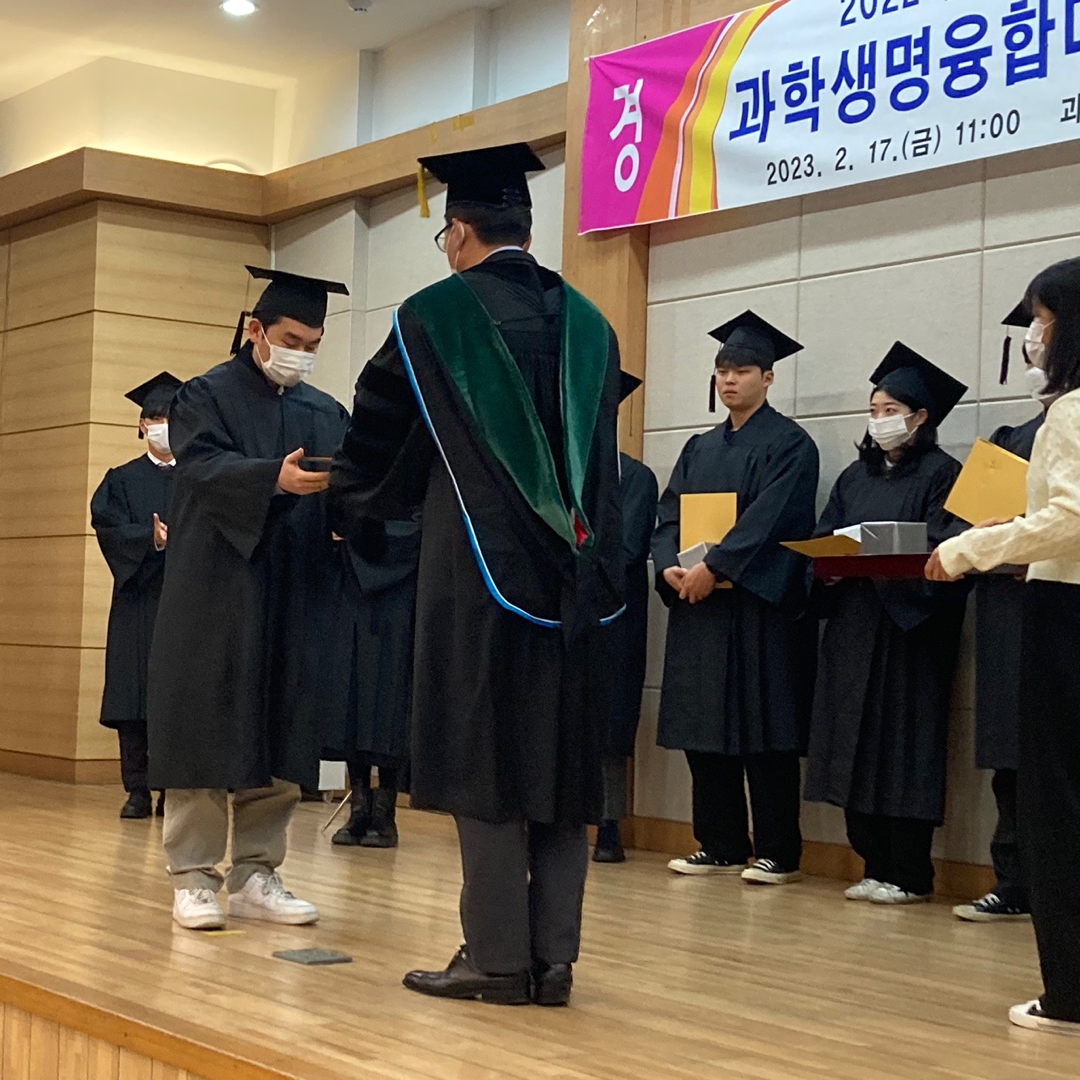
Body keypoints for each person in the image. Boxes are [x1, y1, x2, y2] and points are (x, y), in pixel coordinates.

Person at [328, 142, 625, 1007]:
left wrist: (350, 506)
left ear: (458, 231)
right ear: (524, 228)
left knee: (485, 756)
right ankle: (554, 961)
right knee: (563, 765)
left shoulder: (434, 317)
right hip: (577, 586)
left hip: (478, 579)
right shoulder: (593, 327)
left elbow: (381, 438)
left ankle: (496, 958)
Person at [928, 256, 1080, 1041]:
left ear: (1073, 322)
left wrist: (973, 547)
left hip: (1077, 615)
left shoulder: (1076, 410)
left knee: (1067, 808)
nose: (1034, 334)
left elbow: (1078, 519)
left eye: (1041, 318)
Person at [146, 267, 350, 932]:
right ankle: (194, 876)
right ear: (256, 330)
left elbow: (351, 485)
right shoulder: (204, 396)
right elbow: (203, 470)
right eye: (291, 341)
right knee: (203, 724)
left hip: (295, 587)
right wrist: (273, 480)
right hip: (216, 588)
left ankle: (258, 872)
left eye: (313, 345)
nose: (302, 355)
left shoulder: (325, 412)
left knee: (281, 726)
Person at [651, 311, 819, 886]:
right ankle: (719, 842)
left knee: (764, 729)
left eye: (742, 371)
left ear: (768, 378)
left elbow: (772, 519)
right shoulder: (698, 448)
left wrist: (716, 567)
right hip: (700, 606)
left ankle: (778, 850)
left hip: (756, 606)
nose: (729, 380)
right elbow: (668, 514)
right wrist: (671, 566)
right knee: (704, 726)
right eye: (722, 370)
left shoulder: (791, 445)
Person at [805, 344, 969, 905]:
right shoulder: (855, 477)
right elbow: (825, 536)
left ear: (921, 417)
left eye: (891, 410)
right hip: (854, 625)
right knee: (851, 741)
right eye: (874, 410)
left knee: (903, 746)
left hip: (910, 632)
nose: (880, 420)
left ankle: (910, 872)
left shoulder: (945, 475)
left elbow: (950, 548)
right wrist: (825, 569)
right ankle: (872, 862)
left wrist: (890, 565)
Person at [955, 302, 1048, 923]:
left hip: (1063, 606)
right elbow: (959, 523)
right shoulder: (1009, 441)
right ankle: (1013, 880)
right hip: (1006, 613)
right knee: (1009, 755)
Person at [90, 372, 180, 820]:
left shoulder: (200, 478)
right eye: (155, 418)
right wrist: (151, 539)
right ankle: (138, 790)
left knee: (176, 697)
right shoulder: (121, 480)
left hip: (185, 603)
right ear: (143, 425)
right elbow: (107, 527)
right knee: (133, 697)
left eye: (170, 418)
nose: (162, 426)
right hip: (137, 598)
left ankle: (173, 790)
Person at [324, 517, 420, 849]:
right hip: (352, 580)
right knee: (353, 693)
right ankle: (359, 806)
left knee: (392, 696)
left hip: (403, 581)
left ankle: (385, 811)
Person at [595, 373, 659, 864]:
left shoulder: (635, 477)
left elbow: (629, 548)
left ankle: (609, 824)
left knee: (611, 721)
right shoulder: (556, 475)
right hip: (559, 617)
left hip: (614, 617)